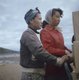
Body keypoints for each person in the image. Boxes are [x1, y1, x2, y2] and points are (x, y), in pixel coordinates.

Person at [20, 8, 69, 80]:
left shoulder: (33, 34)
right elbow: (39, 52)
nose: (41, 21)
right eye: (39, 19)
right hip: (31, 75)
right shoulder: (28, 34)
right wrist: (57, 61)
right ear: (31, 20)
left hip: (36, 73)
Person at [40, 8, 73, 80]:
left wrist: (71, 51)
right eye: (57, 16)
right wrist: (64, 52)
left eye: (59, 17)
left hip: (63, 66)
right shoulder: (44, 31)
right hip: (52, 67)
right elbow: (47, 49)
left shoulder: (58, 31)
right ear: (49, 17)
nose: (59, 19)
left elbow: (62, 46)